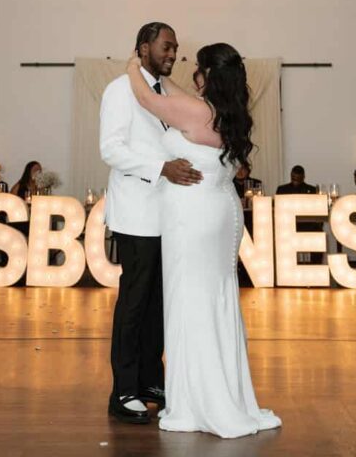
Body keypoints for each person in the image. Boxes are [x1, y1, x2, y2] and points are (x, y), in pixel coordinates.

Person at [127, 42, 282, 439]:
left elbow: (146, 97)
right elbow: (172, 91)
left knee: (190, 302)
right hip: (219, 213)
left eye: (197, 69)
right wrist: (163, 75)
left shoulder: (198, 112)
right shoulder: (227, 114)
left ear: (209, 75)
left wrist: (134, 63)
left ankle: (200, 403)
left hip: (194, 219)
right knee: (214, 301)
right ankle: (225, 393)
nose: (192, 75)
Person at [100, 22, 202, 426]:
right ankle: (122, 390)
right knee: (133, 303)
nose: (173, 54)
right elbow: (111, 149)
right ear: (143, 48)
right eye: (166, 46)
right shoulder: (118, 90)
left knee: (159, 304)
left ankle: (150, 381)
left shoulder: (164, 94)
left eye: (176, 48)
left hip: (167, 216)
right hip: (135, 213)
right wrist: (160, 167)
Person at [276, 165, 323, 264]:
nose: (295, 180)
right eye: (293, 178)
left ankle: (315, 265)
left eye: (298, 178)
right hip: (287, 225)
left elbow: (318, 210)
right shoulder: (282, 190)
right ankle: (286, 265)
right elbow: (277, 209)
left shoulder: (312, 190)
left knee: (318, 233)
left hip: (308, 225)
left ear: (303, 177)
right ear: (291, 176)